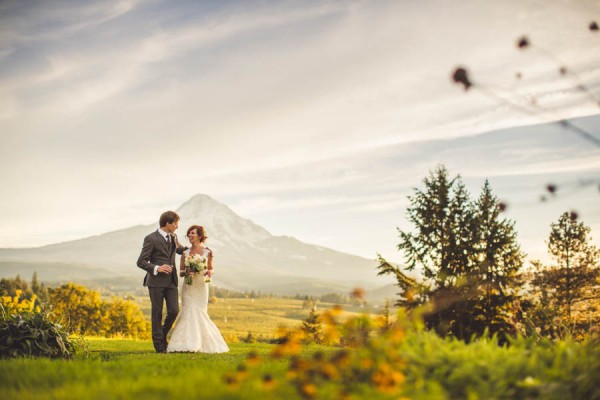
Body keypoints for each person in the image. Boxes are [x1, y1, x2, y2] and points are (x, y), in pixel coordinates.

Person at [167, 225, 229, 353]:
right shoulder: (185, 253)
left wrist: (209, 272)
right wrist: (187, 272)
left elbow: (211, 268)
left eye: (193, 233)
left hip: (201, 286)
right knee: (188, 310)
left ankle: (202, 343)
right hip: (188, 287)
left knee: (200, 312)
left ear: (200, 236)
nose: (190, 235)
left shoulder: (208, 252)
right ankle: (185, 343)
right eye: (189, 233)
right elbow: (181, 272)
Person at [136, 211, 181, 353]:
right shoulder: (151, 238)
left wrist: (199, 249)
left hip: (171, 281)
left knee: (174, 311)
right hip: (155, 282)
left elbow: (180, 249)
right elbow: (141, 262)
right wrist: (157, 268)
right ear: (167, 223)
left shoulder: (174, 237)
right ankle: (159, 345)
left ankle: (160, 334)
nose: (177, 227)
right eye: (175, 224)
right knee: (157, 313)